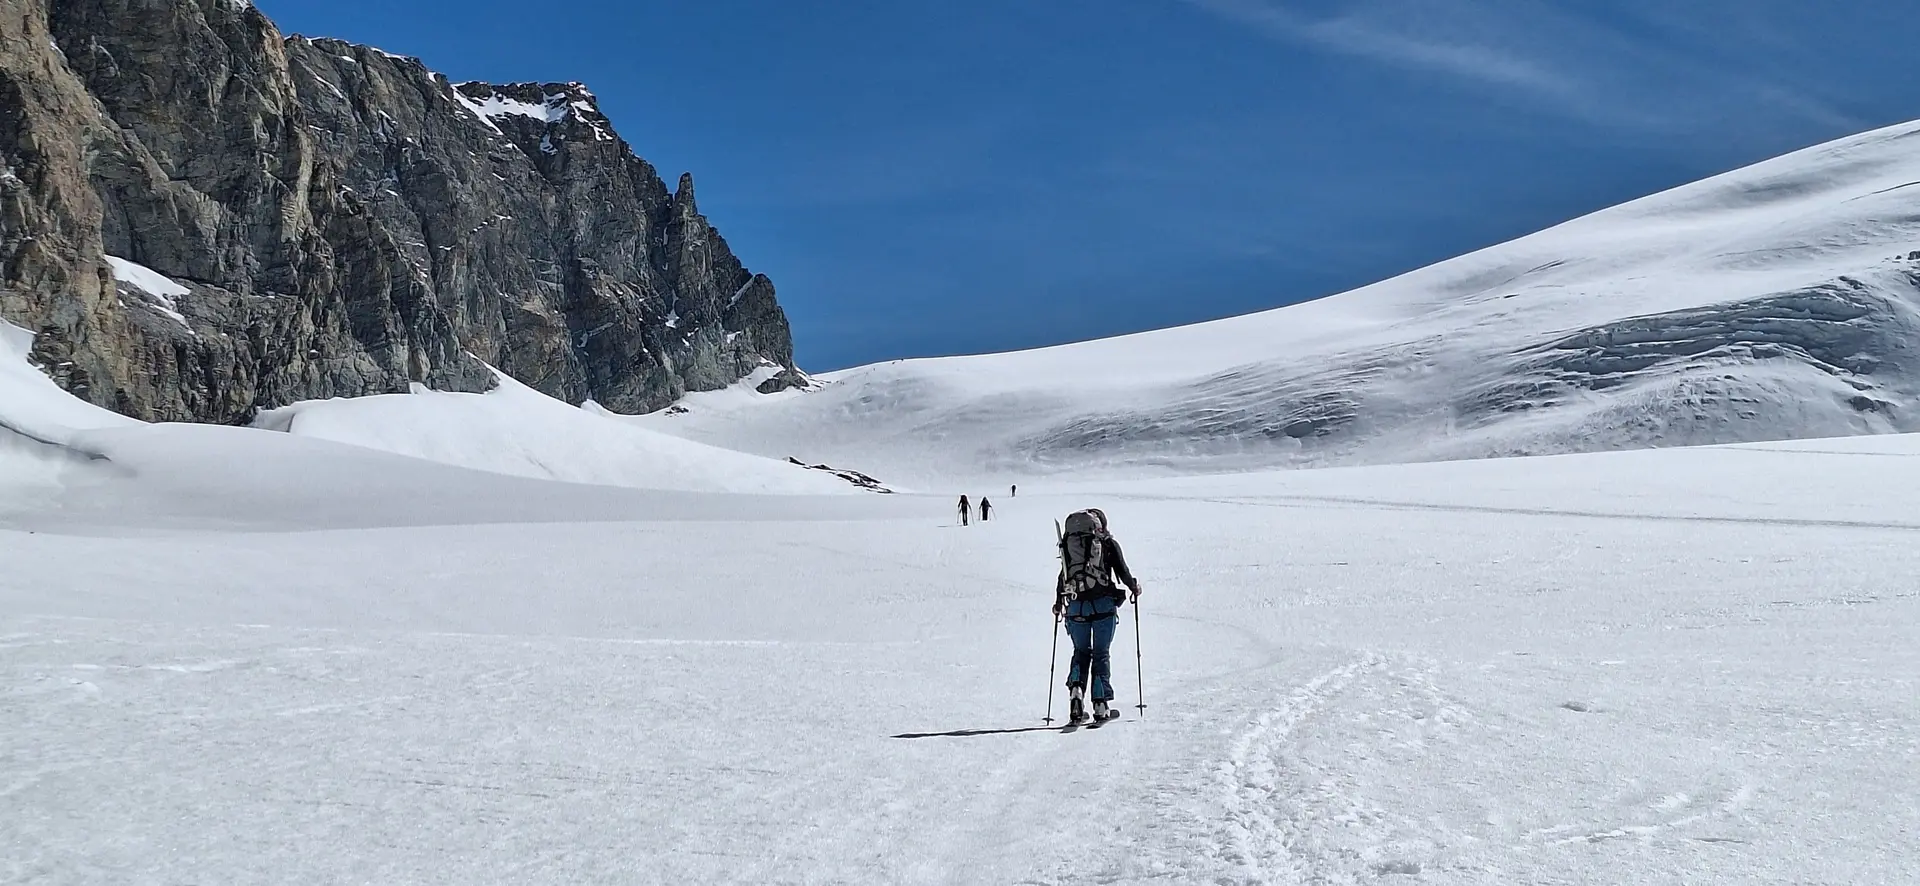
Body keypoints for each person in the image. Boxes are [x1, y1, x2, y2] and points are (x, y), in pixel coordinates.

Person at [1053, 508, 1141, 723]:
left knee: (1081, 652)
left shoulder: (1070, 547)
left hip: (1076, 607)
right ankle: (1100, 705)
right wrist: (1134, 587)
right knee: (1101, 654)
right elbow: (1122, 570)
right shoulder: (1107, 543)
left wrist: (1058, 603)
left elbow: (1063, 575)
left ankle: (1076, 691)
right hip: (1103, 607)